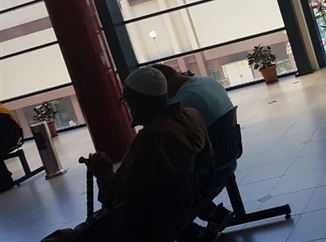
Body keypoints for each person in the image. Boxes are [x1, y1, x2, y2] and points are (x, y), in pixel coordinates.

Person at [85, 66, 217, 241]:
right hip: (185, 201)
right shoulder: (191, 115)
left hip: (155, 219)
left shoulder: (149, 138)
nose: (127, 106)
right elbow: (207, 159)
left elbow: (118, 198)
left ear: (135, 100)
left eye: (126, 100)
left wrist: (103, 173)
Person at [151, 64, 236, 232]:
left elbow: (172, 138)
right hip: (227, 153)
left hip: (211, 167)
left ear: (164, 86)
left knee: (161, 185)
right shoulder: (207, 82)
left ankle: (194, 231)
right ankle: (213, 214)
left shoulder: (184, 101)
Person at [0, 103, 23, 192]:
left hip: (8, 139)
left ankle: (5, 182)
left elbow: (6, 131)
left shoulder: (2, 111)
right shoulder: (2, 109)